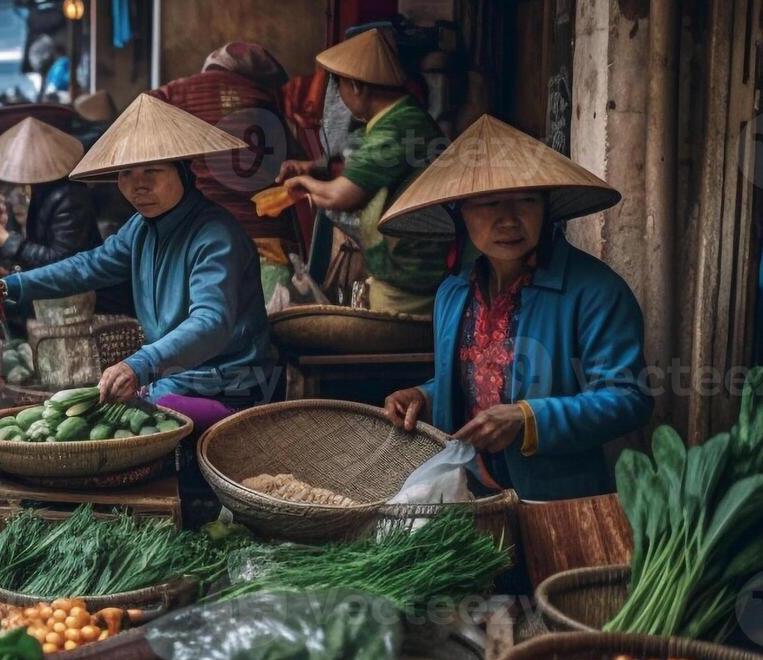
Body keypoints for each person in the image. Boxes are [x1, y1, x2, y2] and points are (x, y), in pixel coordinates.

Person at [380, 116, 652, 500]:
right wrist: (425, 397)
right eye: (489, 203)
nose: (509, 220)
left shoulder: (595, 291)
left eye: (527, 200)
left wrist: (529, 419)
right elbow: (474, 380)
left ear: (546, 208)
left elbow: (629, 398)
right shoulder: (454, 293)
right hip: (466, 492)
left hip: (559, 503)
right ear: (460, 213)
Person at [0, 94, 274, 428]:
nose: (138, 185)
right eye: (126, 172)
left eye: (152, 171)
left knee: (125, 425)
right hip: (172, 378)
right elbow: (87, 266)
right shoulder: (141, 228)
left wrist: (140, 363)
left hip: (228, 385)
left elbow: (211, 321)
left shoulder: (215, 235)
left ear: (183, 172)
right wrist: (8, 286)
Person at [275, 28, 452, 313]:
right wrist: (315, 170)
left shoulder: (399, 124)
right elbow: (365, 166)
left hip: (411, 276)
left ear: (357, 86)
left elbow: (342, 196)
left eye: (340, 85)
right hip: (400, 271)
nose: (339, 97)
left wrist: (302, 186)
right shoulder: (392, 120)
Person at [151, 42, 304, 301]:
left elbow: (144, 111)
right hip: (266, 237)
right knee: (268, 324)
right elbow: (296, 164)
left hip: (202, 235)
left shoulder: (177, 93)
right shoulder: (268, 100)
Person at [0, 117, 127, 315]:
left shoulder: (69, 197)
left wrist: (3, 238)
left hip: (87, 302)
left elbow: (63, 262)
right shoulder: (35, 190)